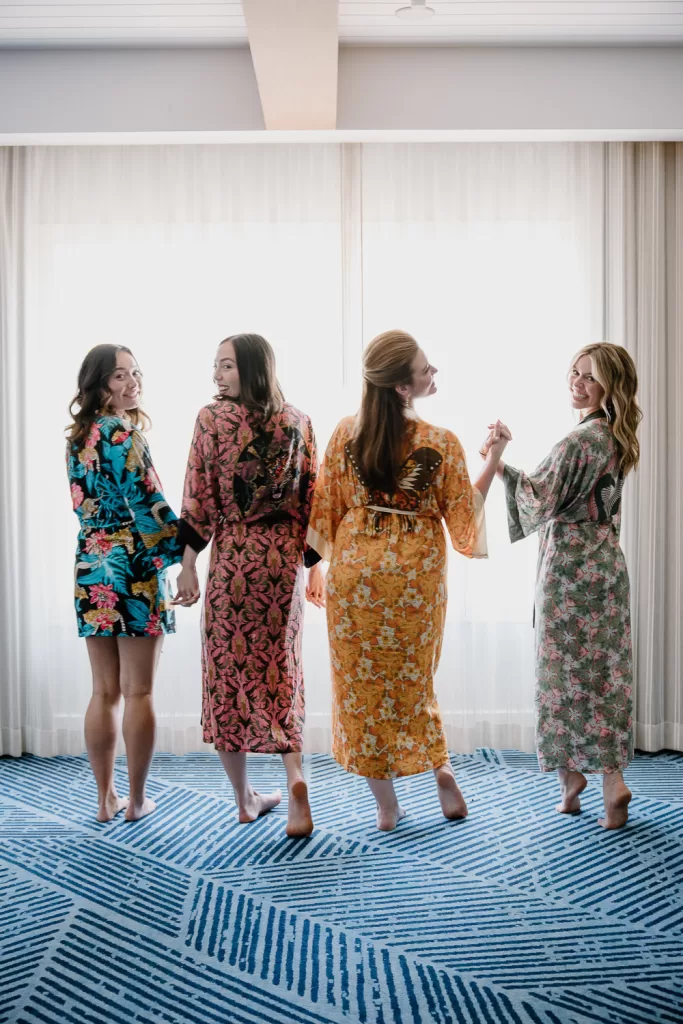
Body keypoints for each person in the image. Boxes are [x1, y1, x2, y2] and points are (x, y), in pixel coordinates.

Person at [305, 329, 508, 831]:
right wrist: (494, 458)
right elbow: (463, 518)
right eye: (425, 369)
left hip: (355, 577)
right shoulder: (440, 442)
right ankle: (441, 772)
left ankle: (387, 806)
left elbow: (325, 510)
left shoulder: (345, 434)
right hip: (416, 580)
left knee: (360, 692)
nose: (433, 373)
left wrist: (315, 568)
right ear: (401, 387)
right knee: (415, 685)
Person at [480, 342, 642, 829]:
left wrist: (498, 457)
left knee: (560, 678)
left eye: (589, 377)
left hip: (570, 571)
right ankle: (595, 782)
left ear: (610, 385)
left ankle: (586, 784)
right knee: (604, 679)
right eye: (575, 372)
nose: (577, 382)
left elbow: (539, 497)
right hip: (607, 568)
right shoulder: (617, 436)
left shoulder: (579, 441)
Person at [175, 333, 319, 838]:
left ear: (253, 368)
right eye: (216, 366)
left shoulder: (212, 420)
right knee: (283, 669)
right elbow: (312, 503)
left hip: (234, 560)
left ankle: (244, 799)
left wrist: (188, 563)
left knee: (226, 673)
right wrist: (314, 564)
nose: (217, 375)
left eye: (227, 366)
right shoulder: (298, 420)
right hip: (282, 564)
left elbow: (199, 496)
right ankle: (294, 776)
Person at [66, 344, 184, 822]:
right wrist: (184, 554)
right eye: (119, 376)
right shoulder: (122, 433)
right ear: (98, 384)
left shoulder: (78, 437)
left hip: (90, 563)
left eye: (135, 373)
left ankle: (104, 799)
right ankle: (135, 802)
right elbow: (149, 502)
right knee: (138, 692)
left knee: (103, 691)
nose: (132, 382)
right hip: (132, 561)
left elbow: (82, 502)